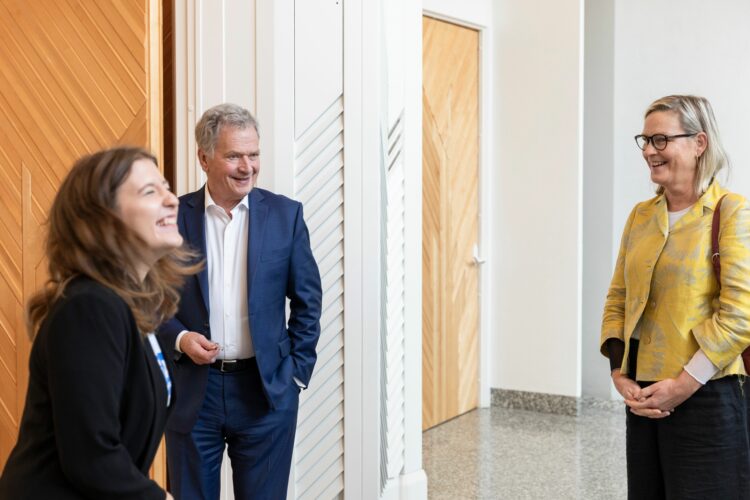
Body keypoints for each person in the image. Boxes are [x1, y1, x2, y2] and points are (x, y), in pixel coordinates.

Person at [0, 147, 198, 499]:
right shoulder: (90, 307)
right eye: (150, 191)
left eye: (166, 187)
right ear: (104, 218)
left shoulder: (131, 305)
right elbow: (91, 455)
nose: (172, 200)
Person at [159, 103, 322, 499]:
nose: (246, 166)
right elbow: (148, 301)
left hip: (266, 391)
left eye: (253, 155)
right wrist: (180, 339)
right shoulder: (172, 217)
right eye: (233, 155)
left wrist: (295, 375)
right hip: (194, 394)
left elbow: (308, 301)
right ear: (204, 158)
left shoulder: (286, 216)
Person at [600, 95, 750, 498]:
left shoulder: (731, 211)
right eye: (645, 141)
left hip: (707, 394)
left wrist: (684, 384)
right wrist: (619, 374)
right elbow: (619, 297)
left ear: (699, 143)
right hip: (645, 397)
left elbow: (740, 315)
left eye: (661, 140)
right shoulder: (640, 216)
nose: (650, 151)